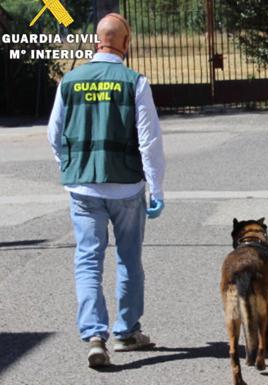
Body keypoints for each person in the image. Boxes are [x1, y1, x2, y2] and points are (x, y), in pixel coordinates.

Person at [47, 13, 165, 367]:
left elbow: (54, 135)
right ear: (125, 44)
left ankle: (94, 336)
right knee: (128, 259)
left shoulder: (69, 81)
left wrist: (71, 167)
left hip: (82, 188)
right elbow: (149, 141)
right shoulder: (135, 82)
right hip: (127, 186)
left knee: (87, 260)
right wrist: (156, 188)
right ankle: (126, 332)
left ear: (97, 41)